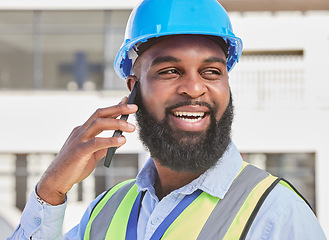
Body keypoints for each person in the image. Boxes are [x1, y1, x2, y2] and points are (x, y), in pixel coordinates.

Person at [7, 0, 327, 239]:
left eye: (211, 71)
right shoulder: (102, 216)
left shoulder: (275, 213)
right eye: (170, 71)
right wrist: (51, 189)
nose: (193, 88)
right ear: (134, 91)